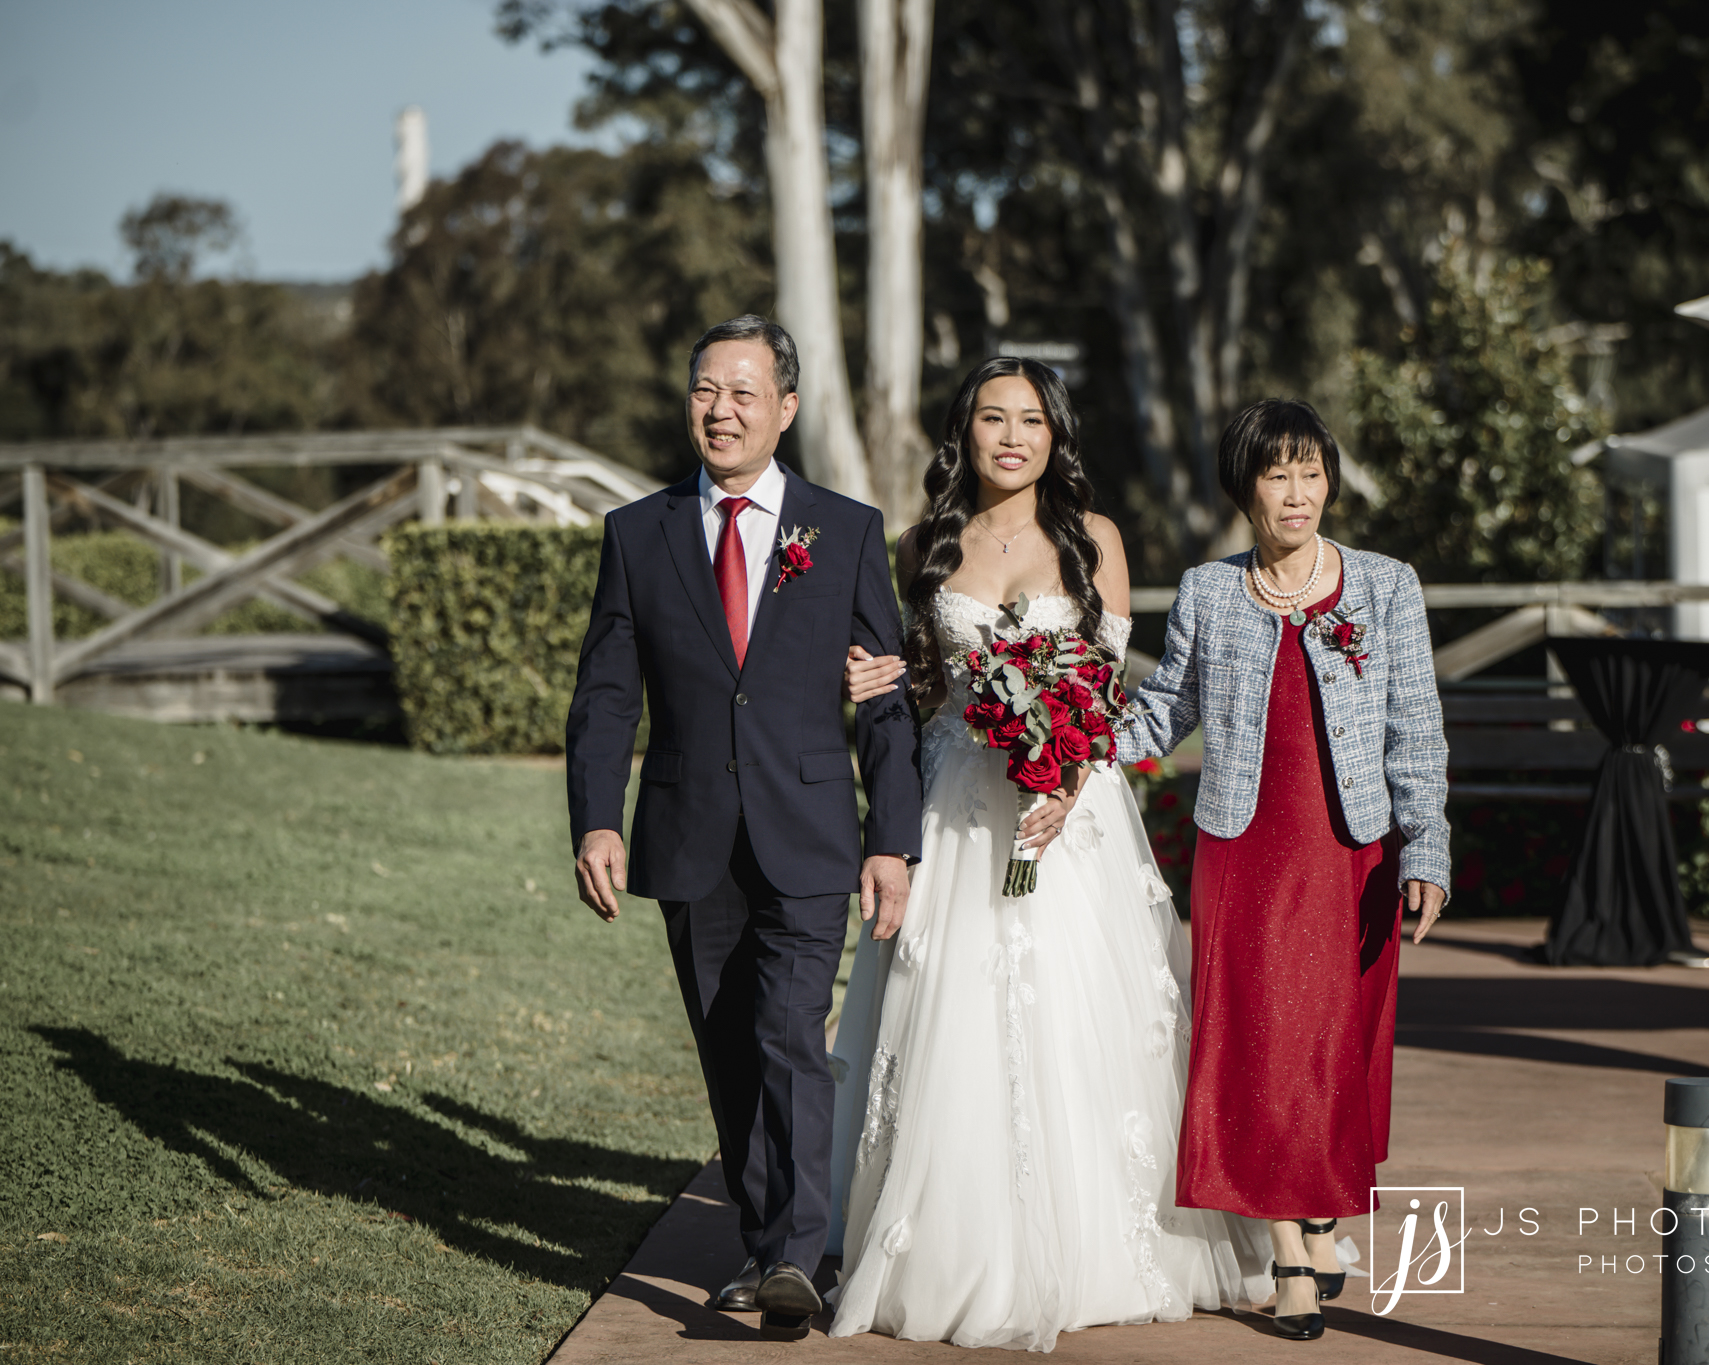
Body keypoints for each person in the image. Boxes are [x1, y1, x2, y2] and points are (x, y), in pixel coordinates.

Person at [827, 357, 1269, 1351]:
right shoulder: (921, 545)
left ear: (1056, 435)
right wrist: (858, 681)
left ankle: (1105, 1249)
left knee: (1080, 1015)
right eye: (993, 418)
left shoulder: (1094, 538)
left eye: (1031, 420)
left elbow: (1106, 691)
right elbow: (907, 688)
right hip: (956, 807)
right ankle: (951, 1248)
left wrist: (1064, 776)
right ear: (964, 431)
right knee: (954, 1017)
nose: (1012, 437)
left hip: (1068, 814)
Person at [564, 316, 922, 1343]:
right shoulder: (637, 532)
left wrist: (890, 839)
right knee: (727, 1047)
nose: (719, 411)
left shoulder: (843, 529)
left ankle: (797, 1255)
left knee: (788, 1032)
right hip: (686, 833)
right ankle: (766, 1248)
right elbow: (605, 693)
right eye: (704, 391)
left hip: (808, 829)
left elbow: (884, 698)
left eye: (742, 393)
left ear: (786, 408)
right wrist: (596, 820)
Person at [1115, 399, 1451, 1342]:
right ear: (1245, 488)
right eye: (1277, 475)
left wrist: (1427, 844)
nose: (1298, 493)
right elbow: (1165, 708)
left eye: (1311, 473)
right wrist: (1071, 740)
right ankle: (1289, 1255)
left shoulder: (1386, 585)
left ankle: (1317, 1216)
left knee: (1332, 1048)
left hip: (1352, 852)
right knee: (1259, 1045)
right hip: (1244, 850)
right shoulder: (1209, 590)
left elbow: (1417, 727)